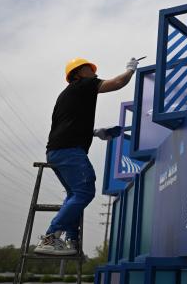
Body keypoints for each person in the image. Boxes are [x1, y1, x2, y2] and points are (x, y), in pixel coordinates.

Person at [34, 57, 139, 255]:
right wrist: (130, 70)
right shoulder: (83, 84)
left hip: (56, 151)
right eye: (90, 69)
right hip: (70, 151)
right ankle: (50, 237)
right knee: (84, 192)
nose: (95, 73)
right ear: (79, 73)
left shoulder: (65, 95)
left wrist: (95, 131)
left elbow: (66, 124)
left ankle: (71, 240)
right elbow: (117, 83)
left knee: (75, 195)